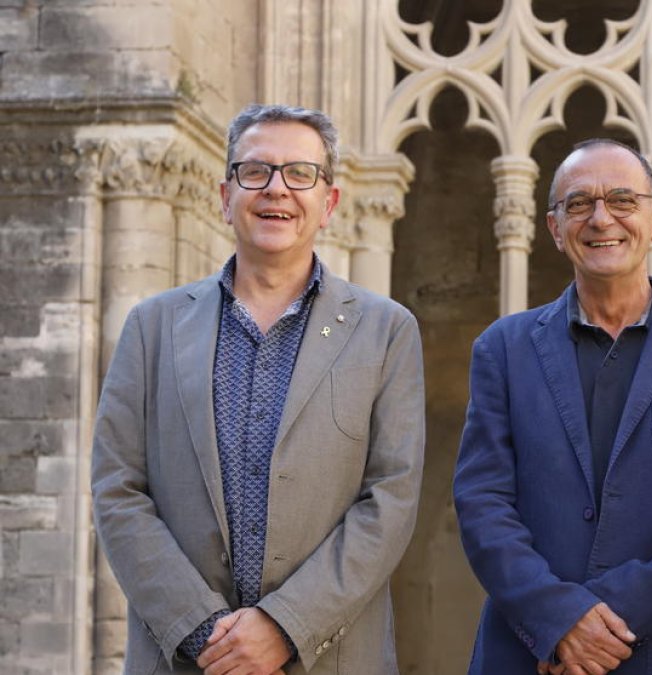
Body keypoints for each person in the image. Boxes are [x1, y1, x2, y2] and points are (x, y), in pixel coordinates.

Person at [91, 103, 425, 675]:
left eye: (301, 174)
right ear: (225, 197)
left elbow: (390, 500)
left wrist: (283, 627)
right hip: (184, 659)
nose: (277, 190)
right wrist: (203, 631)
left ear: (330, 204)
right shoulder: (153, 326)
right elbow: (118, 489)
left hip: (331, 657)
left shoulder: (386, 330)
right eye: (255, 172)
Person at [453, 139, 652, 675]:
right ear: (553, 228)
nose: (600, 219)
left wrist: (601, 623)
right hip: (526, 654)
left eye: (622, 200)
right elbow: (482, 504)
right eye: (578, 204)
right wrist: (558, 622)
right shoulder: (503, 348)